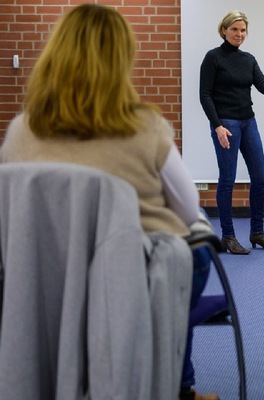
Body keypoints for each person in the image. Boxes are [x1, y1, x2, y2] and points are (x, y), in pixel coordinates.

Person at [0, 5, 218, 400]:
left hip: (44, 275)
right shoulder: (145, 127)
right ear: (121, 61)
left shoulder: (20, 131)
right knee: (195, 246)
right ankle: (178, 386)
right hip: (131, 277)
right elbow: (188, 213)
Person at [199, 10, 264, 255]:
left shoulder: (248, 59)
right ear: (224, 30)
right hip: (226, 124)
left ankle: (257, 232)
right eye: (234, 29)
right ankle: (228, 237)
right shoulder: (213, 57)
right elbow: (205, 95)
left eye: (243, 30)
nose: (239, 34)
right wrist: (217, 126)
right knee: (227, 179)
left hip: (248, 122)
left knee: (260, 177)